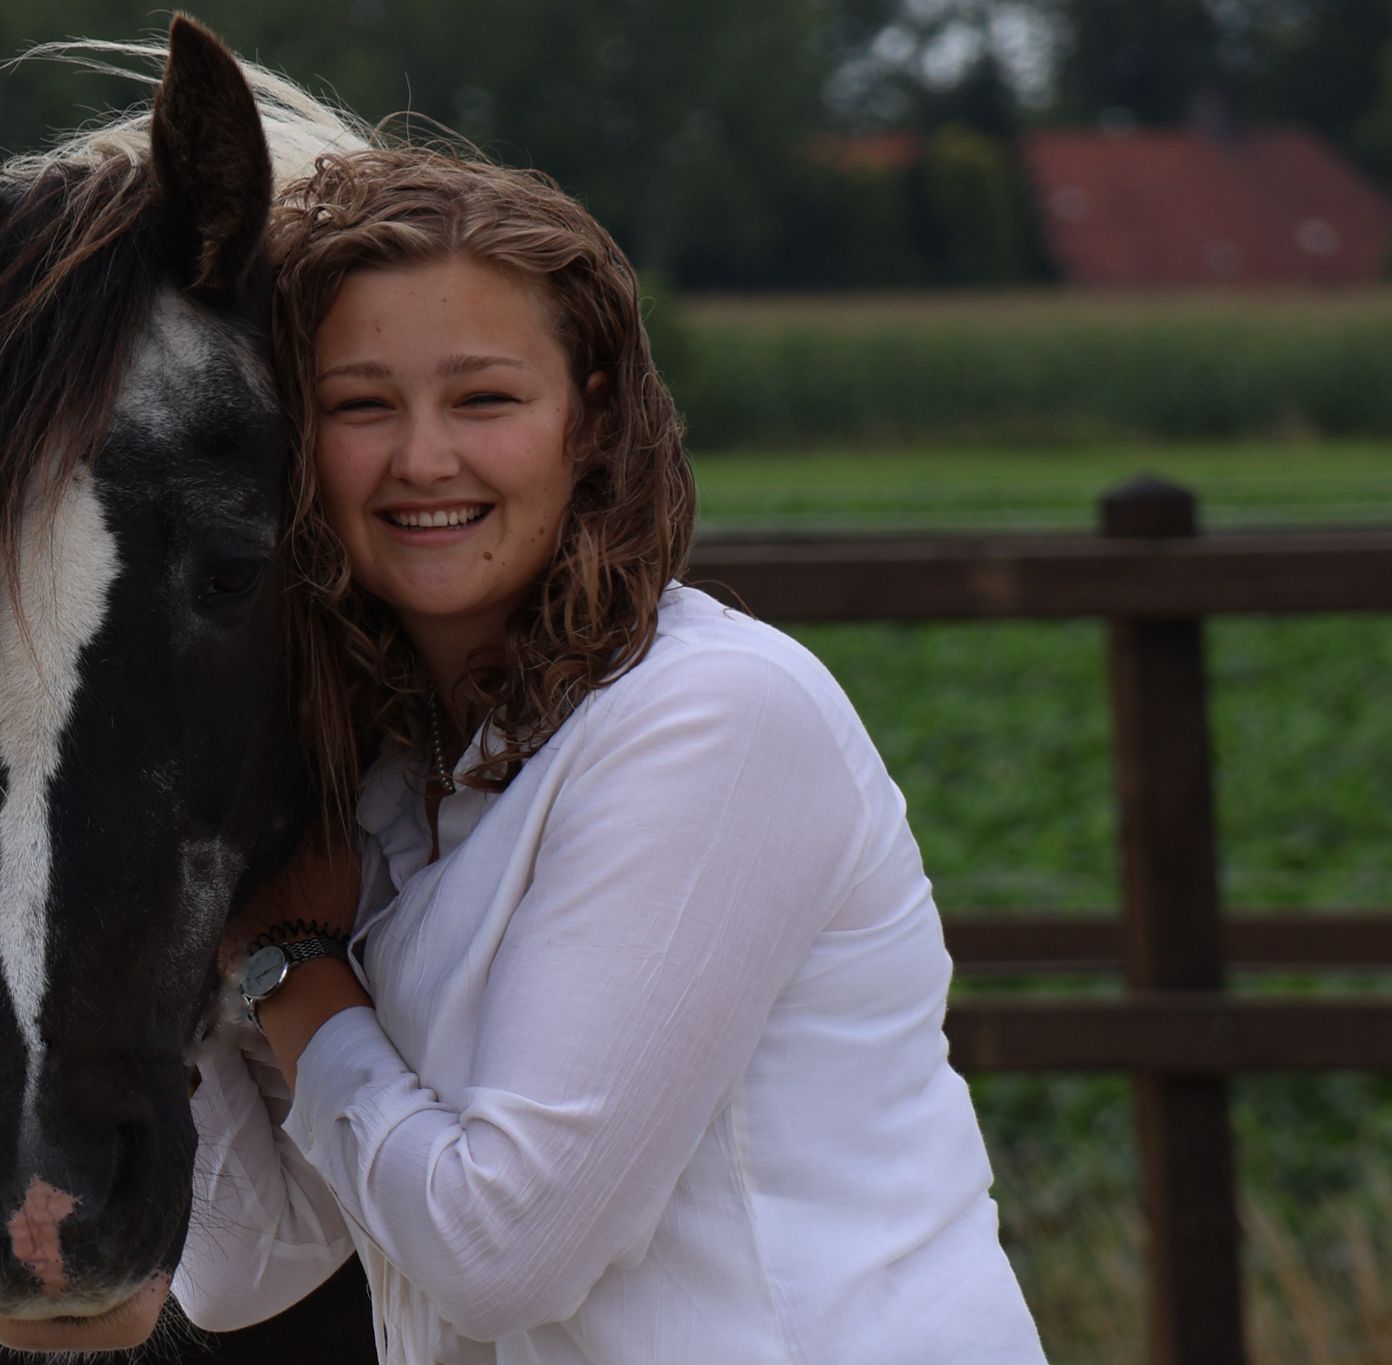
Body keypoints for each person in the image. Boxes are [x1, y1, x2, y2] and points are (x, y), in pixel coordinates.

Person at [170, 143, 1047, 1365]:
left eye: (484, 399)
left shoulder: (710, 720)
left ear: (588, 420)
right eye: (359, 405)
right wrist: (167, 908)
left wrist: (293, 964)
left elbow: (502, 1255)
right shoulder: (394, 777)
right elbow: (240, 1266)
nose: (422, 459)